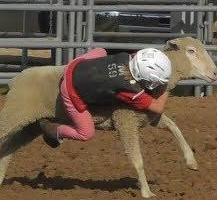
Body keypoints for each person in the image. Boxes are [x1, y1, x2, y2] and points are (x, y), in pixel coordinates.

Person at [38, 47, 172, 148]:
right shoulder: (132, 92)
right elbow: (158, 107)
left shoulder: (130, 56)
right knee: (86, 133)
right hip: (71, 90)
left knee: (101, 51)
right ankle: (52, 129)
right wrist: (166, 86)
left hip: (75, 66)